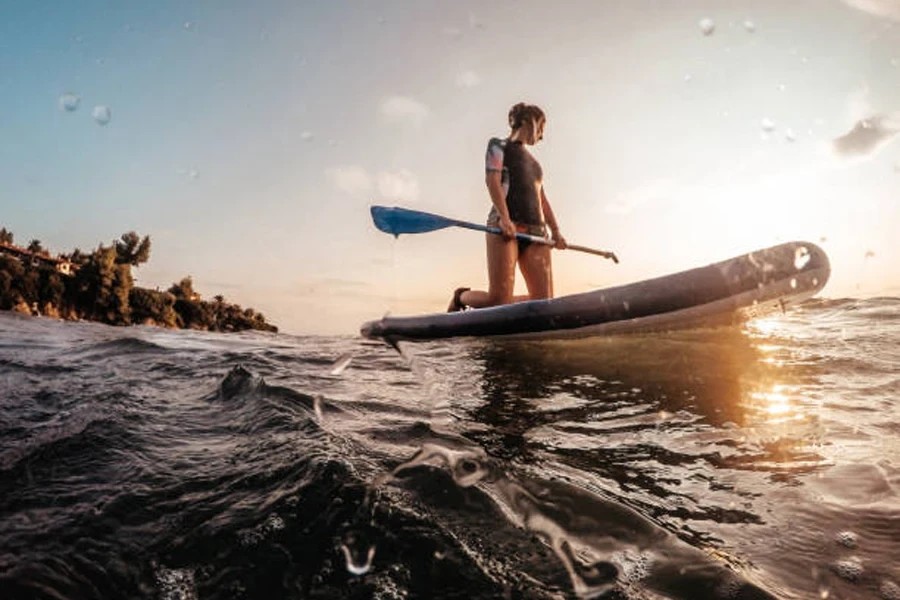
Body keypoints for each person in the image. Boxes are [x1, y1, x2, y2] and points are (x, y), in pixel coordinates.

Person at [448, 102, 567, 312]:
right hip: (503, 226)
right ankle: (461, 297)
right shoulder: (497, 145)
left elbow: (543, 201)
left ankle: (517, 317)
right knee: (498, 301)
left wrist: (556, 232)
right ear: (530, 120)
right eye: (541, 128)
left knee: (544, 302)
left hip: (537, 233)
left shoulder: (536, 164)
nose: (541, 136)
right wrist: (504, 217)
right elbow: (492, 180)